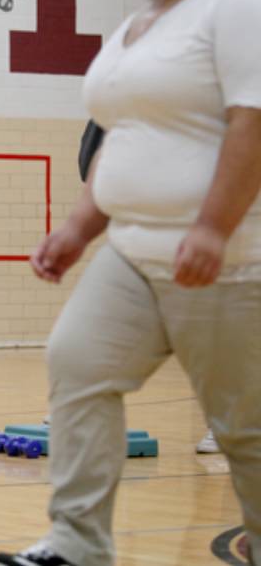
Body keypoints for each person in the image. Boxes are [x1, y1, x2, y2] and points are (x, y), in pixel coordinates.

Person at [0, 0, 261, 564]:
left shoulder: (236, 2)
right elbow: (121, 134)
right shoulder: (137, 23)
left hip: (228, 256)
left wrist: (212, 227)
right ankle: (77, 545)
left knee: (244, 427)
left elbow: (251, 122)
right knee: (77, 362)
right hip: (132, 250)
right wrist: (79, 228)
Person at [79, 119, 221, 455]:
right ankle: (81, 412)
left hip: (198, 231)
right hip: (137, 232)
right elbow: (92, 163)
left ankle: (223, 424)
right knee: (91, 333)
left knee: (212, 337)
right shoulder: (117, 103)